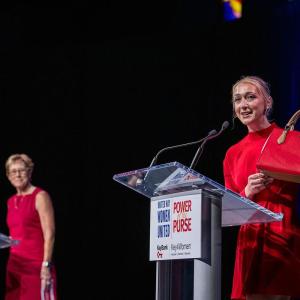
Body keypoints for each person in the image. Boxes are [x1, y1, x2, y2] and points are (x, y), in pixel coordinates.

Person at [223, 76, 300, 300]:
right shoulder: (232, 153)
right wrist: (247, 191)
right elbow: (229, 208)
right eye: (237, 100)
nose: (243, 104)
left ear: (268, 102)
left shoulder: (290, 140)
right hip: (250, 238)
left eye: (251, 97)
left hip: (284, 232)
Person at [4, 153, 57, 300]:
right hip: (14, 265)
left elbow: (50, 233)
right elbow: (17, 233)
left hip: (36, 266)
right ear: (8, 175)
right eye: (13, 171)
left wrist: (46, 265)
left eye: (22, 170)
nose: (18, 175)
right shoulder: (10, 201)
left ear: (29, 172)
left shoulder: (40, 196)